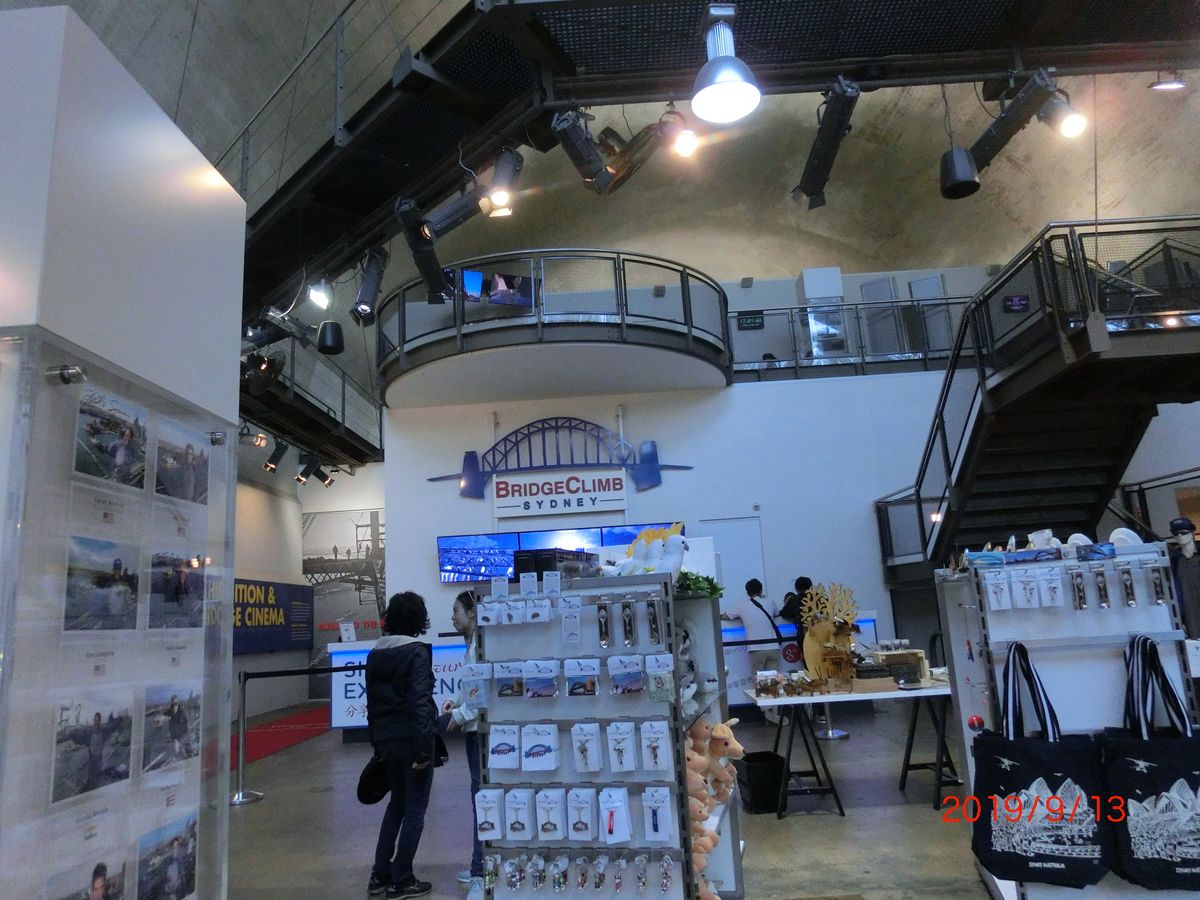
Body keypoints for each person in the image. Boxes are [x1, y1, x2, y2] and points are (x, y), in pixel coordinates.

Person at [366, 591, 437, 898]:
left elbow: (371, 705)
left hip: (386, 740)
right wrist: (423, 749)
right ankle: (402, 878)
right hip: (411, 740)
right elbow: (419, 703)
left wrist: (377, 745)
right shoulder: (416, 652)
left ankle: (379, 875)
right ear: (419, 620)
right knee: (415, 808)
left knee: (396, 804)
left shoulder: (375, 654)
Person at [442, 590, 484, 900]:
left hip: (480, 732)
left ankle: (481, 873)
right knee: (477, 797)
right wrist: (455, 703)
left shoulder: (481, 645)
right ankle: (479, 865)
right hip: (474, 731)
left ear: (471, 612)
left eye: (456, 610)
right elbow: (471, 688)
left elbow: (482, 693)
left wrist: (459, 715)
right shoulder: (471, 644)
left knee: (481, 799)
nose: (453, 617)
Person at [722, 578, 784, 674]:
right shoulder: (770, 602)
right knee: (773, 677)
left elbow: (726, 616)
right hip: (773, 646)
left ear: (747, 593)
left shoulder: (741, 606)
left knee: (759, 678)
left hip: (756, 648)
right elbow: (777, 613)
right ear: (761, 591)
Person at [167, 694, 191, 761]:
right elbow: (171, 728)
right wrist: (175, 739)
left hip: (184, 736)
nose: (174, 706)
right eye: (173, 704)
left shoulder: (182, 713)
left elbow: (184, 725)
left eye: (176, 704)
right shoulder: (170, 714)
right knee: (180, 755)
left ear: (178, 704)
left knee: (188, 753)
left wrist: (176, 739)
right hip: (178, 738)